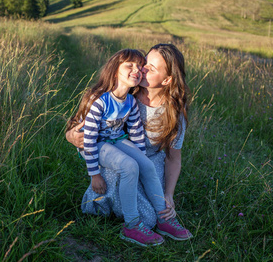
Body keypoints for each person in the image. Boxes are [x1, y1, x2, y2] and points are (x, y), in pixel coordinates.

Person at [66, 43, 192, 244]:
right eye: (144, 63)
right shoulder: (125, 91)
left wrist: (169, 194)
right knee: (145, 216)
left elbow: (173, 157)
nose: (140, 70)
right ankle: (131, 224)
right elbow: (80, 128)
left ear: (167, 80)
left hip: (144, 158)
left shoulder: (171, 111)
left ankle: (165, 218)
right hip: (111, 156)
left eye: (149, 68)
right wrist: (71, 137)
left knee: (147, 175)